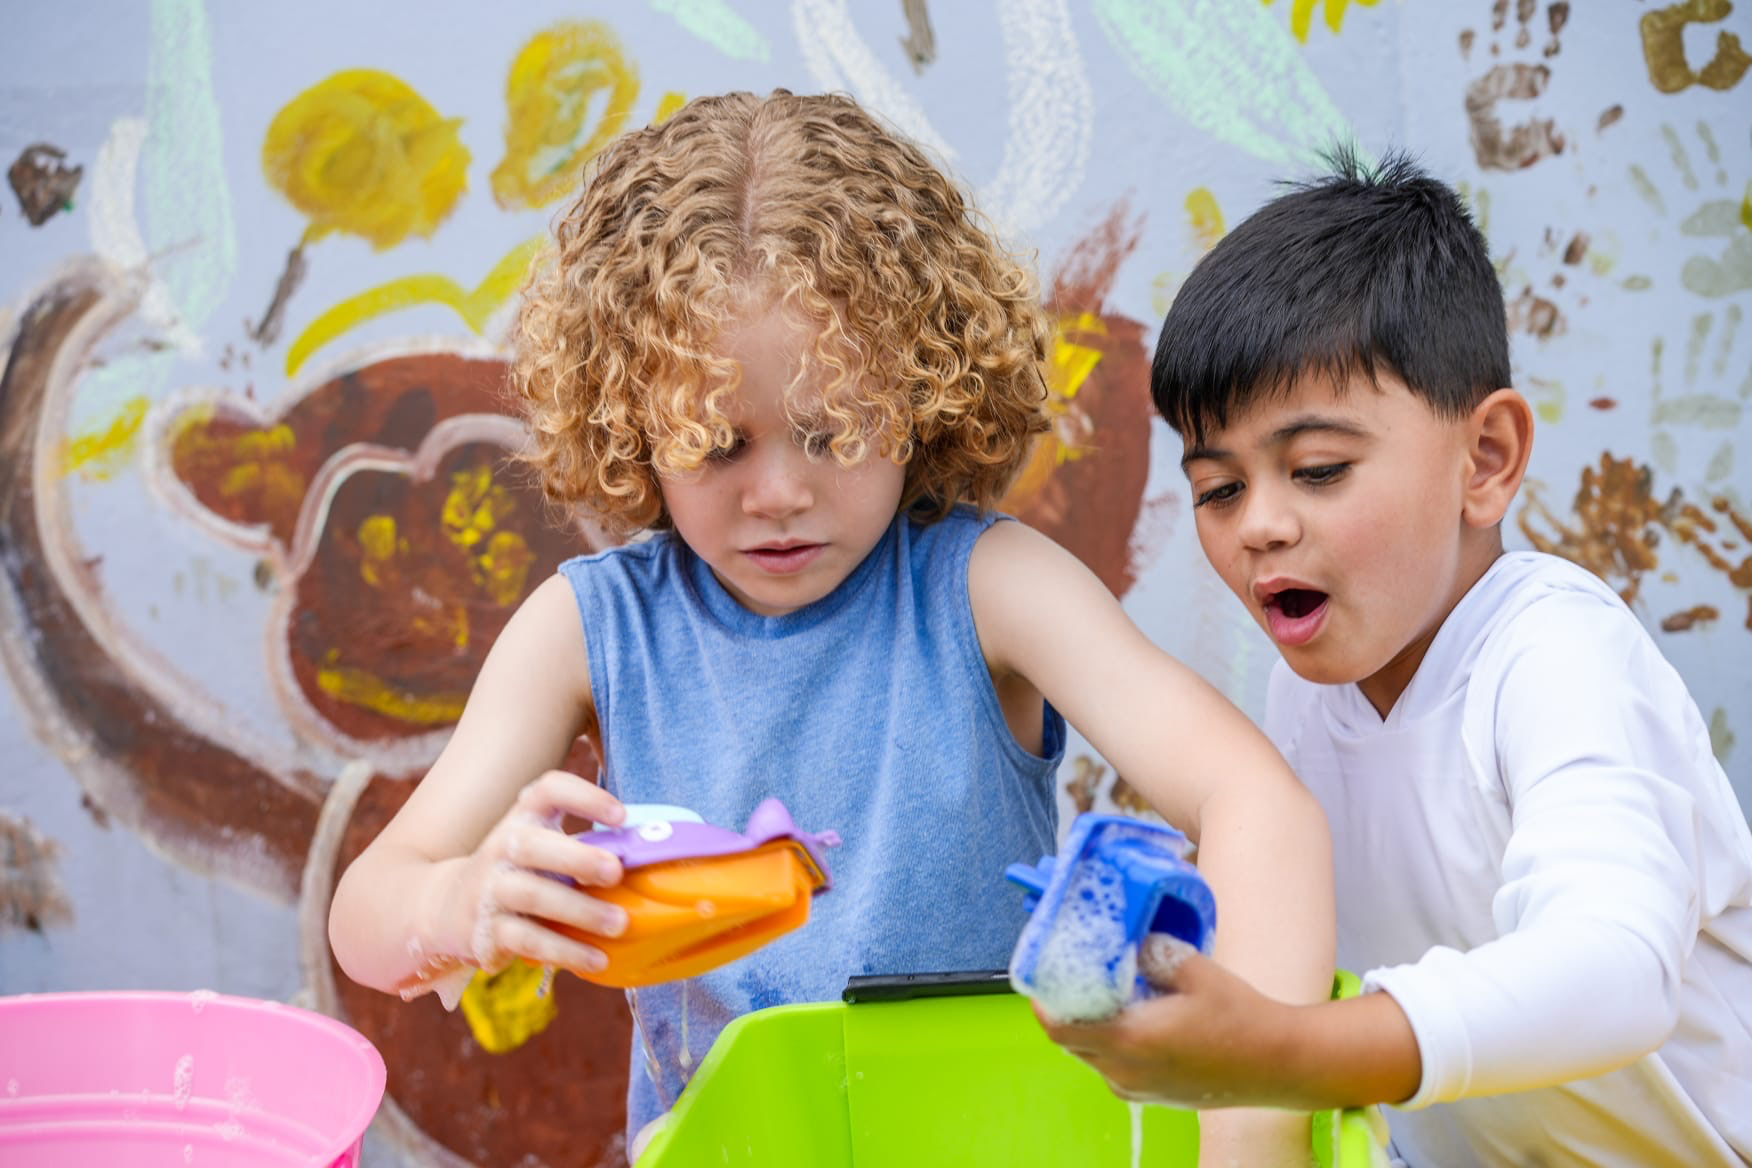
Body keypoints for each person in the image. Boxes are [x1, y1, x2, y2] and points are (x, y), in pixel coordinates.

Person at [326, 90, 1335, 1165]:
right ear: (630, 423)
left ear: (922, 393)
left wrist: (1251, 1141)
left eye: (833, 430)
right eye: (717, 443)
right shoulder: (589, 628)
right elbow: (367, 915)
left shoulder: (991, 588)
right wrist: (461, 899)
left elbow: (1257, 805)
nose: (778, 494)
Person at [1042, 147, 1752, 1167]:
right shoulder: (1305, 701)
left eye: (1318, 468)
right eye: (1219, 489)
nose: (1260, 526)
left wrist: (1283, 1049)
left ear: (1485, 459)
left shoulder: (1555, 654)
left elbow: (1615, 969)